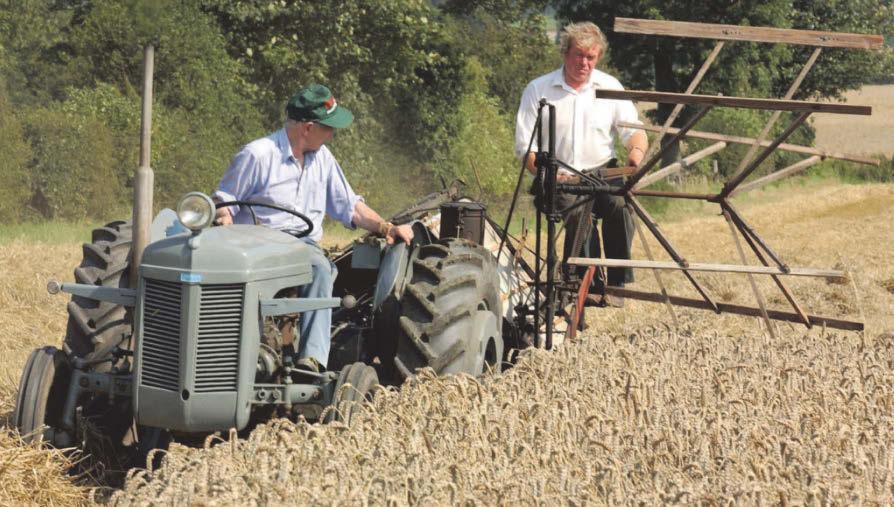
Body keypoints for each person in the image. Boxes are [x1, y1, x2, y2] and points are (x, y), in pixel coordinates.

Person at [213, 84, 413, 372]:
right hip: (255, 244)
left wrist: (386, 228)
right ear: (307, 128)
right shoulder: (258, 155)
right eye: (328, 128)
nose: (332, 134)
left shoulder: (323, 159)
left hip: (300, 246)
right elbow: (225, 199)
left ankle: (311, 360)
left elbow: (350, 206)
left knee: (319, 267)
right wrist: (224, 216)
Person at [514, 21, 648, 307]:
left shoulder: (610, 87)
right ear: (565, 53)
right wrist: (547, 173)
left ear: (598, 57)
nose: (584, 63)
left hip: (603, 171)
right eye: (578, 55)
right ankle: (582, 283)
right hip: (558, 175)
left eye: (591, 57)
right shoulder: (539, 89)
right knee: (578, 214)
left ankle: (616, 283)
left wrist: (635, 155)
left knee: (621, 208)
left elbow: (634, 130)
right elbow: (527, 149)